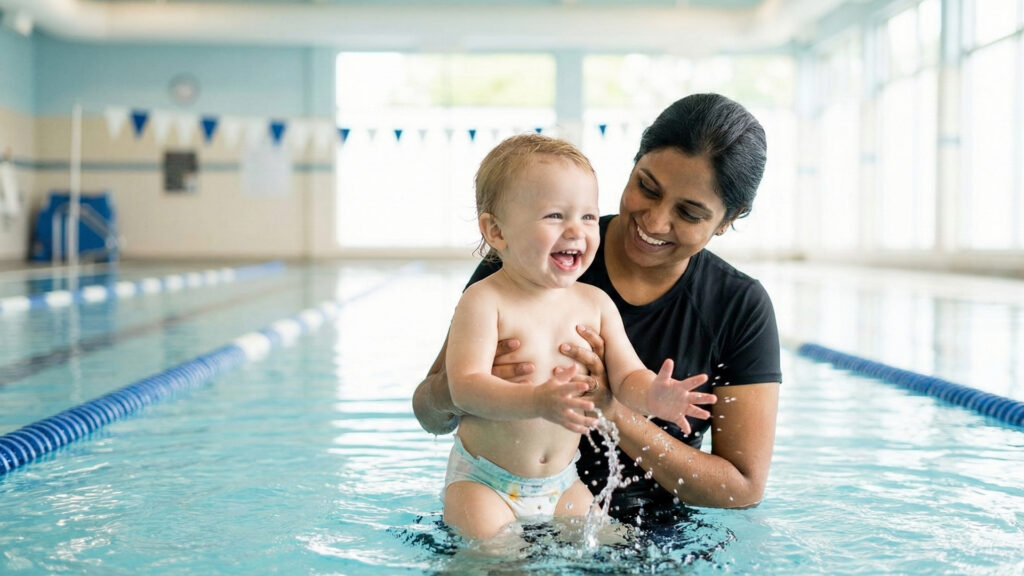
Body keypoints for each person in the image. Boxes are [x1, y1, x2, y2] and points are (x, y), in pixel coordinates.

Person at [414, 93, 781, 524]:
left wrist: (617, 407)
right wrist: (484, 390)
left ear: (727, 220)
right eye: (647, 187)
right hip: (491, 489)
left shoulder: (737, 305)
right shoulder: (520, 265)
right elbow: (432, 410)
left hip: (610, 509)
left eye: (689, 212)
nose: (656, 222)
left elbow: (742, 489)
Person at [441, 133, 718, 541]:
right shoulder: (484, 302)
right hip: (485, 483)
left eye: (588, 216)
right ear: (496, 231)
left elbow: (626, 378)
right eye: (554, 216)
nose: (577, 230)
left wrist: (655, 396)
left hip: (561, 485)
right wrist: (536, 400)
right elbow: (464, 389)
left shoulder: (594, 303)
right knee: (499, 561)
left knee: (618, 547)